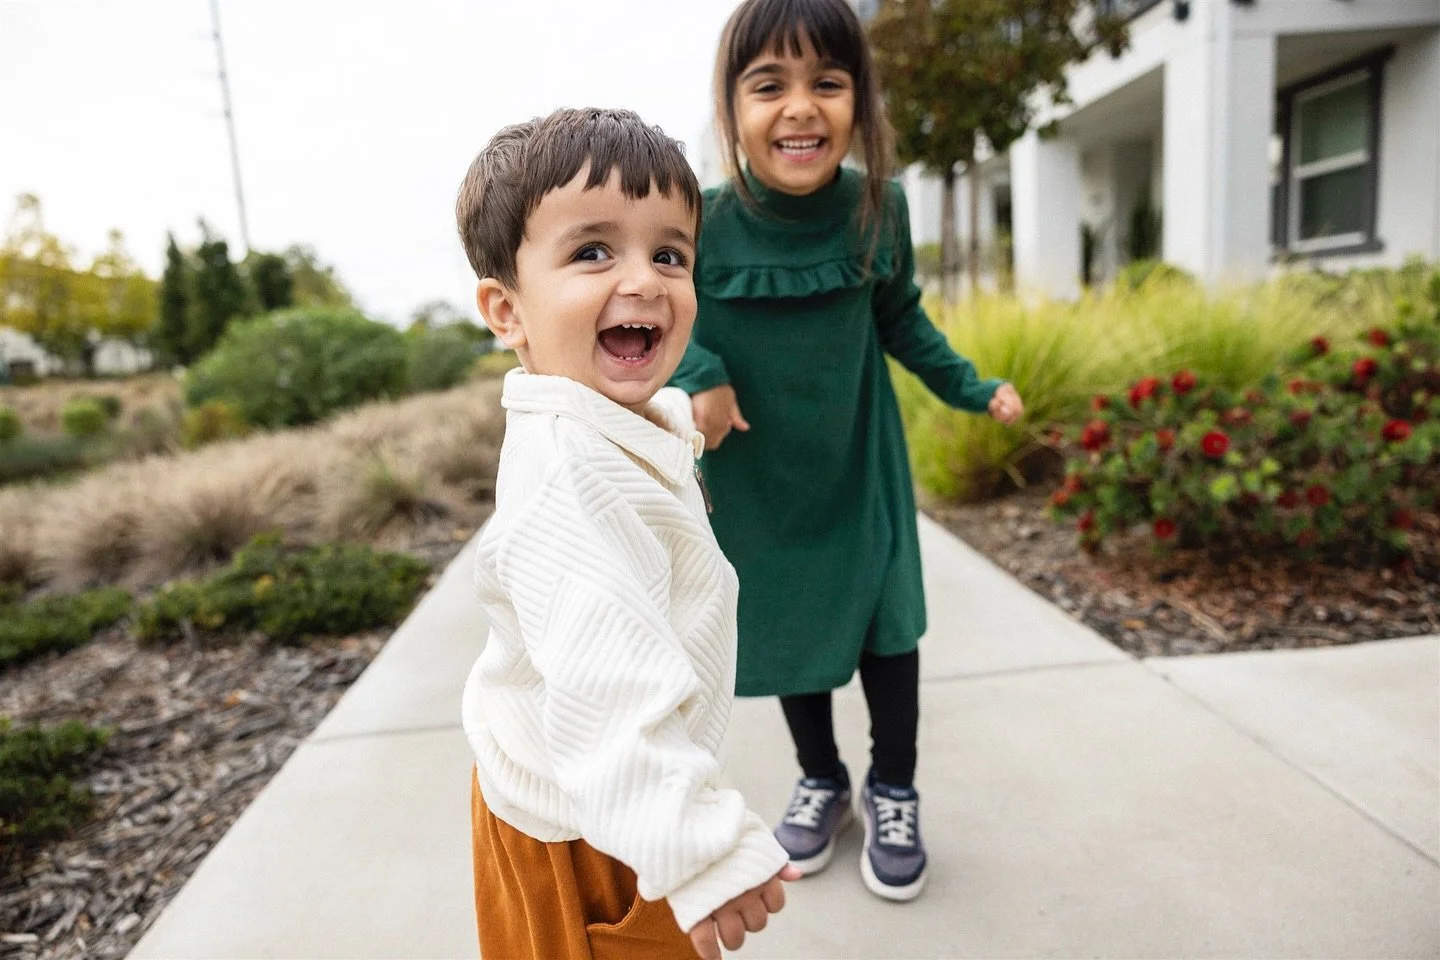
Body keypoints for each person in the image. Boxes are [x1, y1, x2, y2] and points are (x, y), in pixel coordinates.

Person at [670, 0, 1026, 903]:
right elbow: (662, 316)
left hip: (859, 462)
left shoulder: (878, 207)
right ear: (731, 107)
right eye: (769, 86)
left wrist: (972, 386)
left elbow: (903, 321)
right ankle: (822, 778)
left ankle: (894, 787)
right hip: (760, 476)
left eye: (827, 83)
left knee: (887, 625)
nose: (801, 106)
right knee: (794, 622)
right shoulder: (701, 219)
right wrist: (704, 373)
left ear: (858, 100)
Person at [456, 107, 797, 960]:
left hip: (609, 799)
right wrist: (700, 848)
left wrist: (679, 417)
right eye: (593, 252)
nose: (644, 279)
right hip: (589, 828)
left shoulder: (608, 425)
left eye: (670, 254)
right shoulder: (566, 481)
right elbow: (605, 686)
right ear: (506, 310)